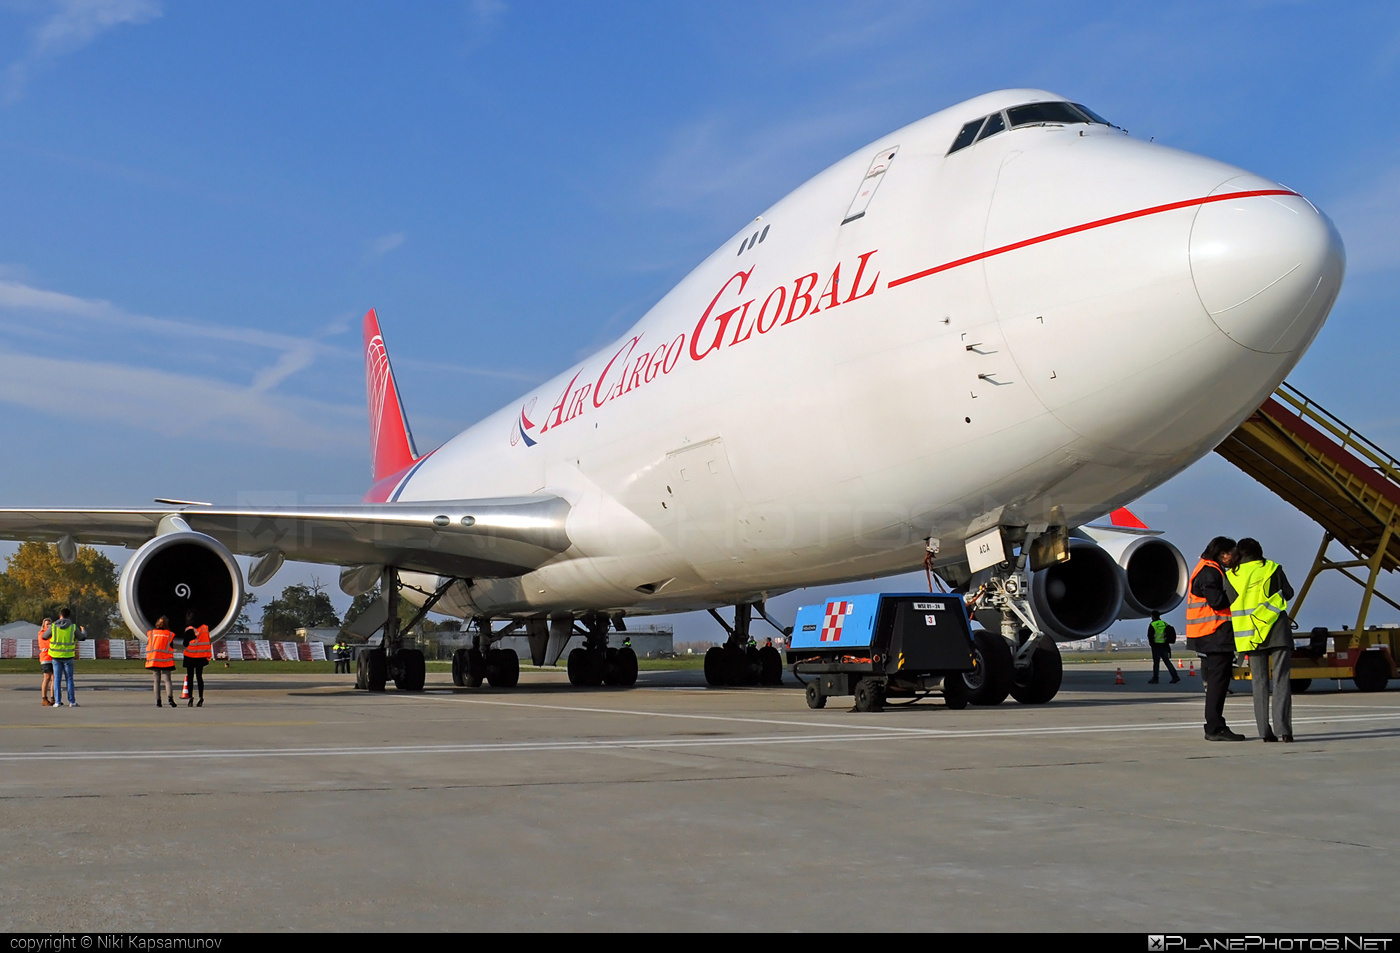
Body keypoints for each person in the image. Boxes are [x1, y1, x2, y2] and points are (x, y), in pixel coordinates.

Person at [1227, 537, 1295, 742]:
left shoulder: (1231, 576)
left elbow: (1229, 601)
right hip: (1277, 631)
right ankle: (1284, 731)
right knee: (1281, 680)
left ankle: (1265, 733)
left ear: (1240, 554)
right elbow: (1289, 593)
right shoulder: (1273, 568)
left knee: (1259, 683)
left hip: (1251, 636)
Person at [1187, 537, 1244, 741]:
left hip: (1209, 634)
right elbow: (1217, 602)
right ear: (1223, 554)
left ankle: (1214, 725)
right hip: (1214, 634)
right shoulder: (1210, 572)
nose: (1235, 559)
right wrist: (1237, 591)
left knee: (1217, 682)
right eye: (1233, 554)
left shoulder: (1206, 568)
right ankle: (1215, 727)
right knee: (1218, 683)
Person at [48, 608, 82, 708]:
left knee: (57, 680)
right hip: (68, 656)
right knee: (70, 679)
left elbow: (45, 636)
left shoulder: (53, 626)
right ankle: (72, 701)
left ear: (60, 616)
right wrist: (84, 632)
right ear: (69, 616)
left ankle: (57, 702)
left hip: (56, 656)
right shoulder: (73, 627)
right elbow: (81, 637)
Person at [181, 611, 211, 707]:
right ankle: (201, 697)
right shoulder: (205, 628)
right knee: (199, 677)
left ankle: (190, 697)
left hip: (190, 656)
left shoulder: (190, 629)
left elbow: (185, 643)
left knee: (190, 677)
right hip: (201, 656)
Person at [146, 617, 177, 708]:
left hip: (154, 660)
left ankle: (158, 700)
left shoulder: (151, 633)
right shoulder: (170, 635)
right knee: (167, 680)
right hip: (166, 661)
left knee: (156, 681)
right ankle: (170, 698)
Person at [1146, 611, 1180, 684]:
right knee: (1167, 662)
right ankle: (1175, 676)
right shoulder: (1164, 623)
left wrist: (1152, 644)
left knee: (1156, 663)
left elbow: (1150, 636)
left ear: (1152, 616)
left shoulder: (1152, 624)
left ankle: (1155, 678)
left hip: (1156, 646)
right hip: (1164, 645)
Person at [38, 618, 54, 706]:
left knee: (54, 678)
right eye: (47, 624)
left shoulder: (53, 633)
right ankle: (44, 698)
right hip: (46, 658)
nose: (49, 625)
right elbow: (47, 644)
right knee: (47, 677)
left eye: (50, 624)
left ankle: (53, 698)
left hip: (54, 657)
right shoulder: (42, 634)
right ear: (43, 625)